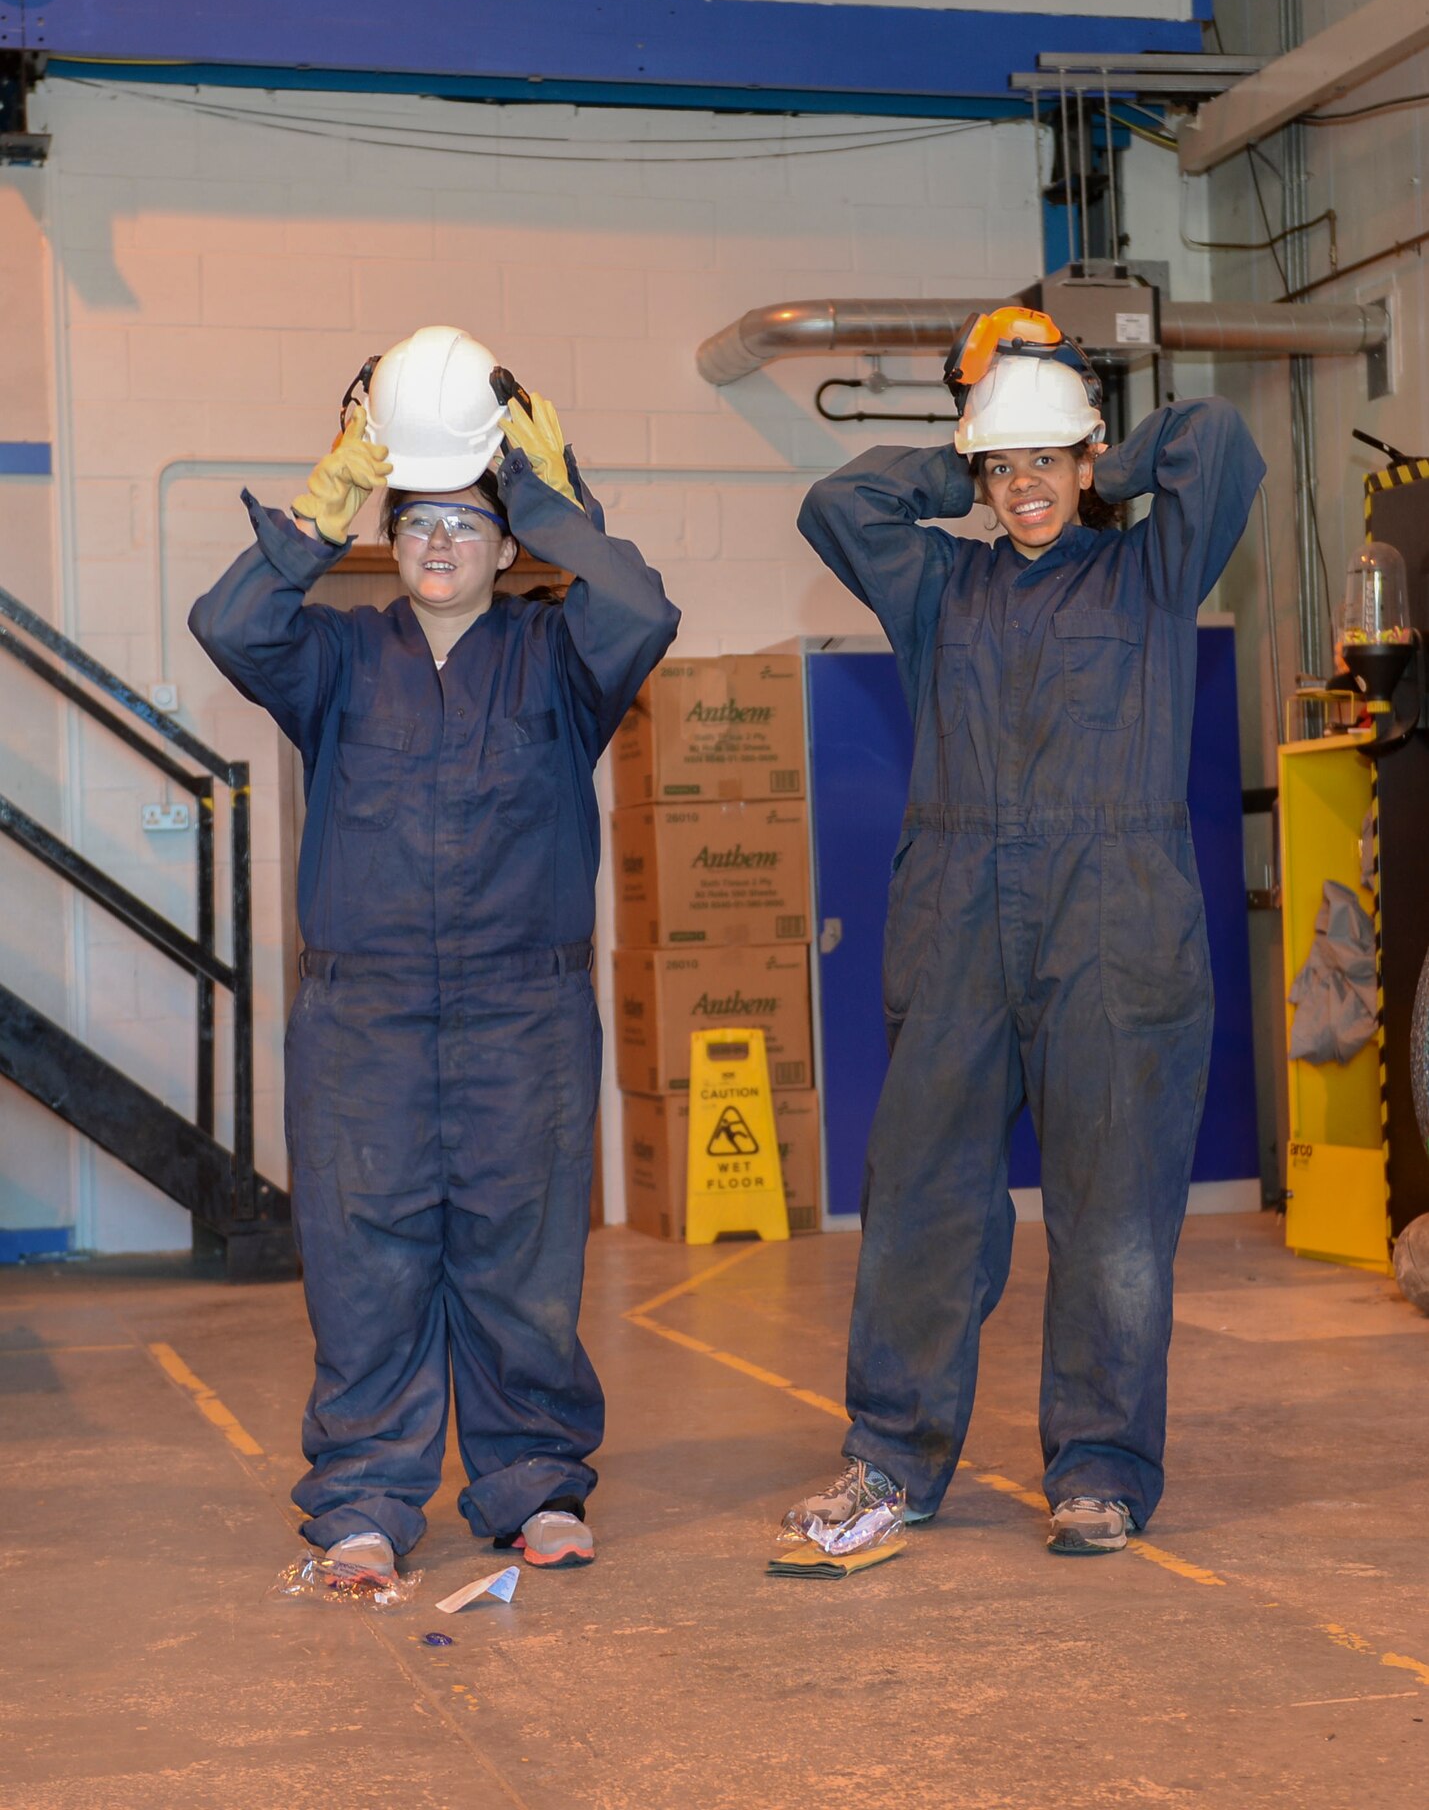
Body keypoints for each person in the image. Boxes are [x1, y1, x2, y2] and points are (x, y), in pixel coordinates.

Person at [190, 324, 679, 1577]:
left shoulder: (563, 657)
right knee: (367, 1262)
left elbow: (642, 604)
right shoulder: (337, 660)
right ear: (385, 540)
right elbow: (229, 620)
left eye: (467, 522)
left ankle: (532, 1484)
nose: (441, 545)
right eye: (416, 524)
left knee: (522, 1259)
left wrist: (552, 496)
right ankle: (363, 1498)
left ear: (506, 543)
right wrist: (329, 490)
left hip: (525, 1013)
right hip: (367, 1021)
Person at [786, 307, 1265, 1558]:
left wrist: (1091, 444)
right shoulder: (942, 583)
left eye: (1042, 461)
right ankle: (890, 1456)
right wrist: (966, 444)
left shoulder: (1152, 574)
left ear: (1087, 458)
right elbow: (838, 506)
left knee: (1113, 1206)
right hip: (957, 912)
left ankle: (1100, 1467)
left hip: (1113, 915)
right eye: (1004, 469)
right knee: (924, 1196)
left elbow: (1220, 445)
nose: (1023, 488)